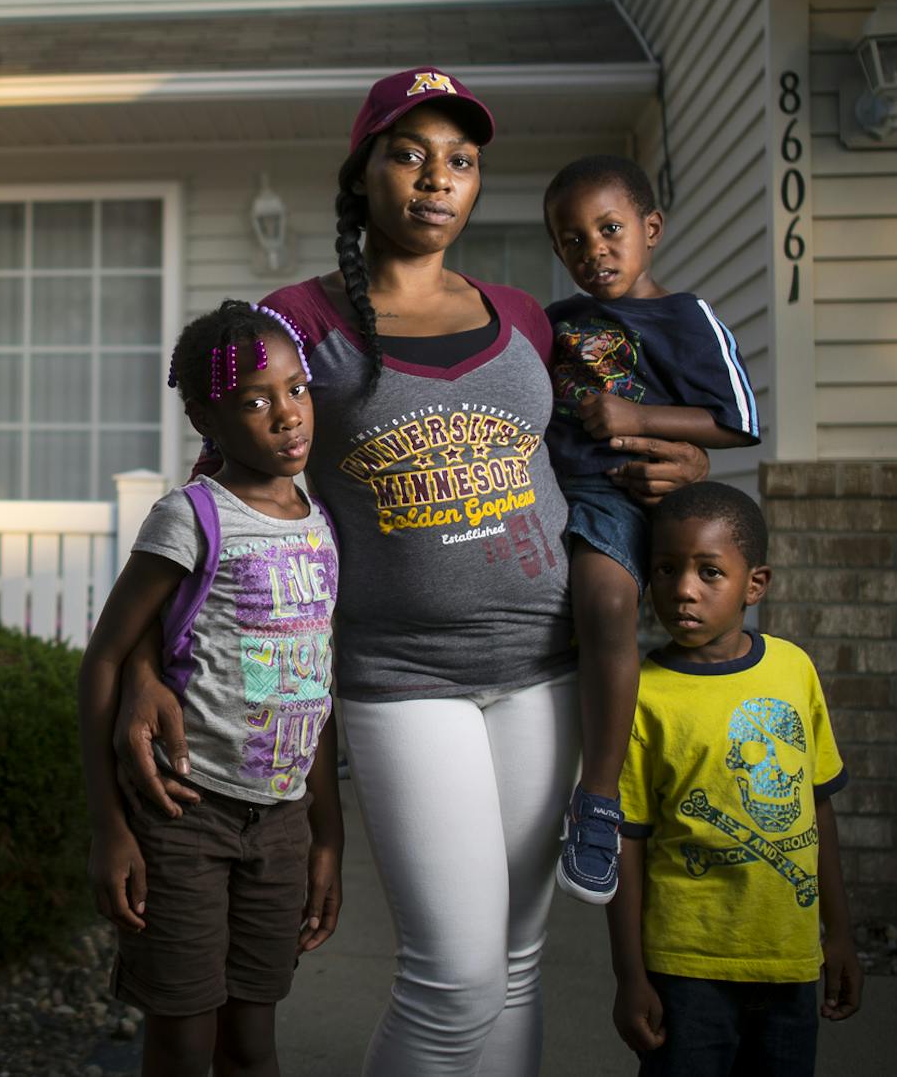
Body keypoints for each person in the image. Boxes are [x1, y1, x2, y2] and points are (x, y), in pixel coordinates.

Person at [115, 69, 710, 1075]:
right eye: (409, 152)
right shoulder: (297, 316)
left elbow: (591, 449)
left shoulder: (526, 314)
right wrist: (140, 664)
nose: (437, 178)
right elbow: (214, 501)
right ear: (363, 174)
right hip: (399, 675)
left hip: (547, 664)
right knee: (456, 977)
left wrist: (679, 459)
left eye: (462, 160)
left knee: (517, 963)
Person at [78, 300, 346, 1077]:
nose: (287, 415)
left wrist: (326, 834)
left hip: (281, 826)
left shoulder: (319, 523)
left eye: (296, 390)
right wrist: (110, 828)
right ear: (206, 415)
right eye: (255, 401)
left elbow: (315, 691)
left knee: (252, 1043)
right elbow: (104, 659)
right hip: (186, 820)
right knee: (183, 1042)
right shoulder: (191, 519)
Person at [540, 155, 762, 906]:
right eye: (572, 240)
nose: (593, 250)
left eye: (610, 229)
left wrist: (639, 419)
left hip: (619, 494)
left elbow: (738, 420)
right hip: (544, 497)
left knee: (605, 606)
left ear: (651, 228)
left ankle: (597, 799)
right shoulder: (555, 324)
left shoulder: (684, 318)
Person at [607, 481, 860, 1075]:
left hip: (789, 962)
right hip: (685, 966)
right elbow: (627, 842)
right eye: (666, 569)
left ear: (755, 584)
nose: (683, 590)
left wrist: (840, 935)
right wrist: (629, 976)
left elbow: (819, 808)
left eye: (709, 572)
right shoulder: (640, 695)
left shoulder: (794, 670)